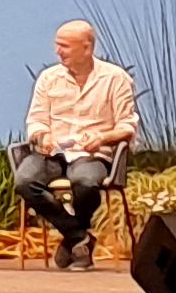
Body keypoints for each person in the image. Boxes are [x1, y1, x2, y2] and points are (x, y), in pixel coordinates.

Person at [13, 20, 137, 270]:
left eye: (65, 46)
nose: (58, 51)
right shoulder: (49, 78)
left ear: (87, 47)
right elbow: (36, 121)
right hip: (52, 153)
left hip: (91, 153)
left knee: (86, 183)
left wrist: (102, 137)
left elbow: (127, 126)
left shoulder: (115, 78)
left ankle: (71, 241)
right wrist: (42, 136)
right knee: (25, 182)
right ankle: (78, 236)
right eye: (57, 45)